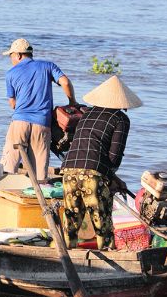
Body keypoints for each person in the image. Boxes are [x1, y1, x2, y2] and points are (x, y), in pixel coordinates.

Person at [60, 75, 141, 250]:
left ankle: (66, 253)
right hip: (93, 176)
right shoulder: (120, 119)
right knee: (102, 222)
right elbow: (114, 156)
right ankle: (107, 255)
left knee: (71, 222)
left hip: (69, 169)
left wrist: (113, 178)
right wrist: (111, 178)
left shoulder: (87, 114)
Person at [1, 37, 75, 182]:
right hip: (42, 124)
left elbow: (13, 104)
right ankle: (38, 192)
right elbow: (65, 82)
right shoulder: (48, 66)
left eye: (11, 55)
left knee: (9, 165)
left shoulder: (11, 73)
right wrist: (72, 102)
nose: (11, 59)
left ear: (18, 55)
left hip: (19, 122)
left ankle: (5, 190)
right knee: (39, 172)